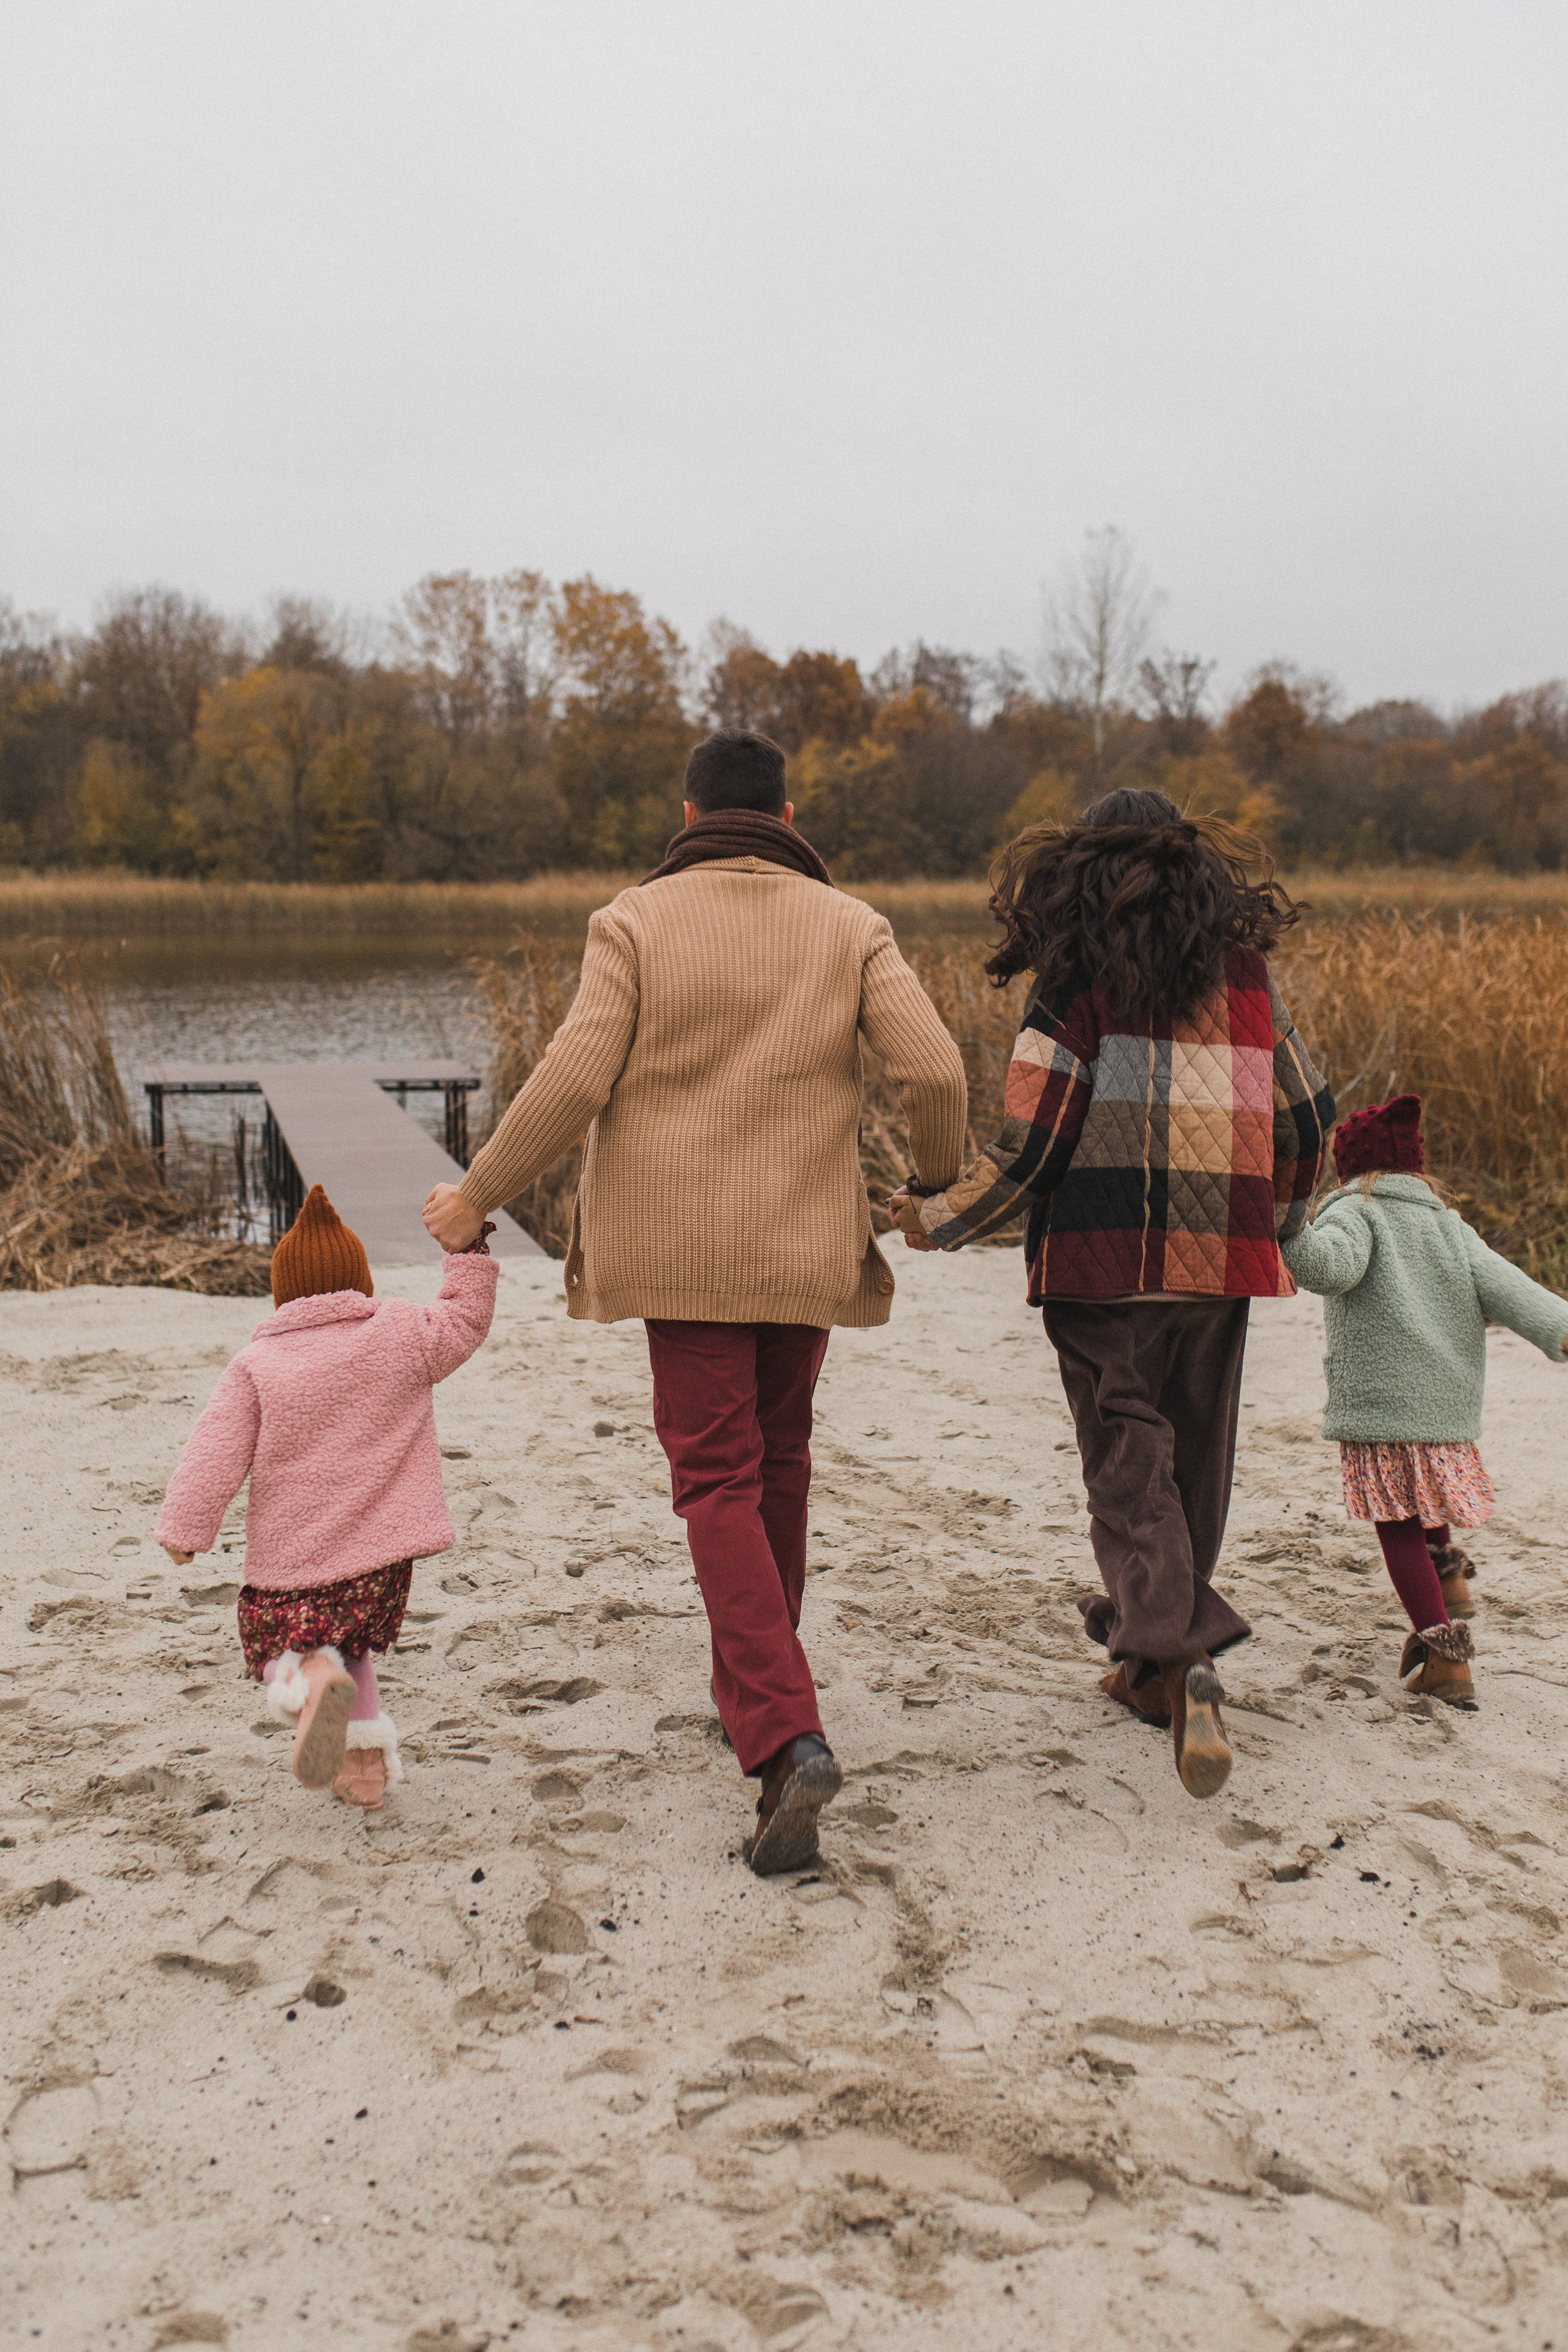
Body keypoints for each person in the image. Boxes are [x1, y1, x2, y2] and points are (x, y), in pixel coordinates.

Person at [423, 729, 967, 1874]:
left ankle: (781, 1734)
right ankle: (762, 1685)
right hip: (804, 1246)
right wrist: (929, 1187)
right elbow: (935, 1071)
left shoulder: (634, 922)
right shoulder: (853, 926)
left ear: (687, 816)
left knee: (716, 1477)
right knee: (781, 1459)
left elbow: (576, 1076)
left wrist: (475, 1198)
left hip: (683, 1248)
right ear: (787, 816)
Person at [889, 787, 1334, 1800]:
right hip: (1220, 1269)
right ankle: (1149, 1670)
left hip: (1103, 1267)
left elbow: (1032, 1151)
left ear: (1076, 878)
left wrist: (937, 1217)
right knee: (1194, 1464)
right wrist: (1282, 1225)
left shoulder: (1075, 987)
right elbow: (1308, 1120)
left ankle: (1179, 1650)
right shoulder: (1246, 980)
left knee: (1131, 1470)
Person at [154, 1183, 497, 1809]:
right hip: (382, 1561)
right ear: (360, 1282)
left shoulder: (257, 1363)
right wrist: (469, 1250)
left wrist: (185, 1530)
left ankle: (308, 1680)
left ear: (282, 1295)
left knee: (277, 1644)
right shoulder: (402, 1332)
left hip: (294, 1560)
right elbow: (466, 1320)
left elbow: (213, 1452)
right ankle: (362, 1771)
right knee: (351, 1647)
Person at [1280, 1091, 1568, 1709]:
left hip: (1385, 1404)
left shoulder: (1354, 1212)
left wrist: (1287, 1225)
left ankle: (1444, 1654)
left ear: (1348, 1167)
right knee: (1426, 1495)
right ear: (1417, 1167)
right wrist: (1560, 1328)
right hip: (1444, 1406)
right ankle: (1451, 1582)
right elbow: (1509, 1287)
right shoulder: (1449, 1225)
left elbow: (1328, 1269)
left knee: (1397, 1522)